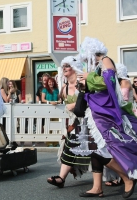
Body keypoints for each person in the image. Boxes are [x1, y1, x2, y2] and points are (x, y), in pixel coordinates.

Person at [71, 37, 137, 198]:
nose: (85, 60)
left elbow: (110, 81)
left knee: (104, 149)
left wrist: (89, 78)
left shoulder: (106, 61)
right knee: (95, 150)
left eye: (86, 56)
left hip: (105, 113)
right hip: (97, 112)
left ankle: (127, 178)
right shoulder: (97, 66)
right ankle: (97, 187)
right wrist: (85, 84)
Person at [47, 55, 90, 188]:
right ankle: (61, 178)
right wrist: (63, 104)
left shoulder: (83, 81)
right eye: (63, 66)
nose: (64, 68)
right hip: (75, 122)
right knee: (69, 146)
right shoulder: (64, 88)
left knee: (99, 150)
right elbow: (64, 103)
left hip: (90, 120)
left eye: (67, 66)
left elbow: (92, 99)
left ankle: (115, 176)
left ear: (74, 67)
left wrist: (76, 105)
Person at [103, 63, 134, 187]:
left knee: (124, 146)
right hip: (119, 115)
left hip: (126, 115)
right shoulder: (117, 83)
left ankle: (127, 175)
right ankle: (121, 176)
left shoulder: (125, 82)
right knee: (118, 146)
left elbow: (123, 100)